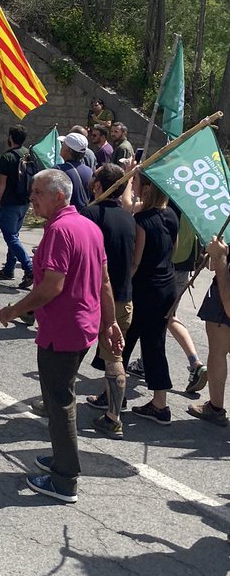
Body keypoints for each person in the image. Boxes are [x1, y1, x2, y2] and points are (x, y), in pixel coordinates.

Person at [0, 169, 121, 504]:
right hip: (83, 326)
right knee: (60, 395)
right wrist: (109, 323)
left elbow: (52, 286)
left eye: (38, 192)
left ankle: (65, 479)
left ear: (59, 196)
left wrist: (13, 310)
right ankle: (61, 459)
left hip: (63, 330)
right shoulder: (88, 226)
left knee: (59, 401)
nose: (32, 198)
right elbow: (105, 281)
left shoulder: (59, 229)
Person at [80, 163, 136, 435]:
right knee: (116, 357)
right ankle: (114, 415)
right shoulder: (128, 218)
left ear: (100, 186)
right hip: (124, 298)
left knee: (68, 352)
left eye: (94, 182)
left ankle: (53, 400)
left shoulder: (91, 214)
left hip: (94, 298)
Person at [122, 174, 179, 425]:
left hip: (145, 288)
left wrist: (121, 288)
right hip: (166, 285)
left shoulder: (142, 220)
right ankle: (159, 403)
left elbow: (135, 261)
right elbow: (173, 252)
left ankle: (113, 394)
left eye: (136, 184)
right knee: (154, 344)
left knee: (122, 339)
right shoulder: (172, 216)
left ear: (146, 189)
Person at [188, 235, 230, 427]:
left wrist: (220, 261)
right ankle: (215, 407)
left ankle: (215, 407)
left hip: (223, 301)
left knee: (218, 350)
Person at [0, 125, 34, 289]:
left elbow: (1, 182)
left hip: (10, 203)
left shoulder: (7, 157)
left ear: (10, 137)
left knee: (10, 236)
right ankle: (9, 269)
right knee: (14, 235)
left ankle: (29, 268)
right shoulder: (28, 154)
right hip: (24, 201)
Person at [56, 132, 92, 209]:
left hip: (65, 215)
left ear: (67, 150)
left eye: (63, 144)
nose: (61, 146)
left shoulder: (58, 171)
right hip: (83, 215)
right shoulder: (89, 171)